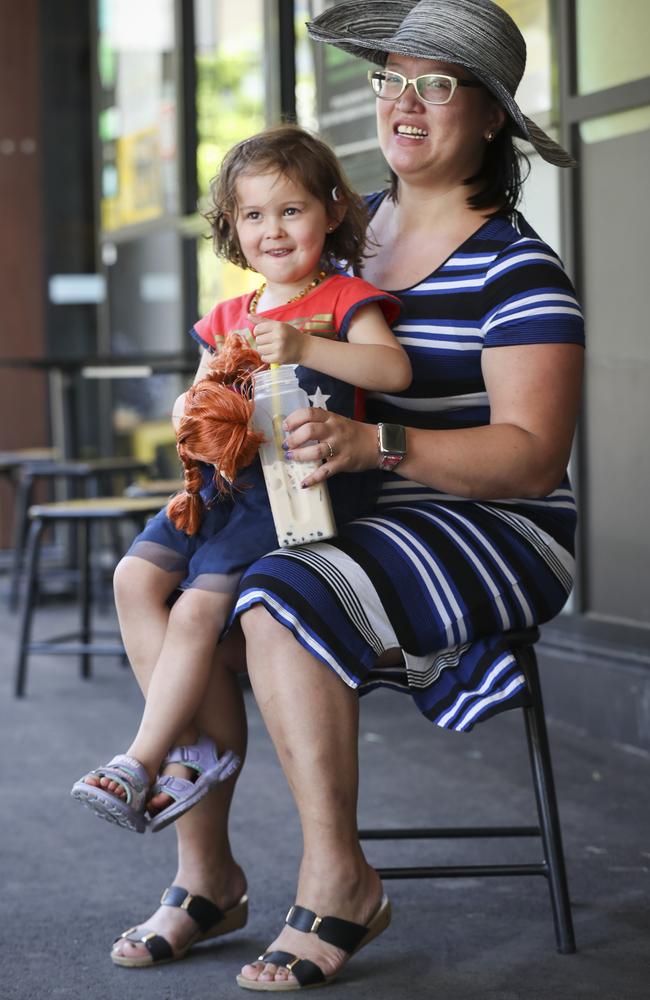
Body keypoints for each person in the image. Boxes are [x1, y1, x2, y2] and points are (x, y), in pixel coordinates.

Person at [107, 0, 585, 989]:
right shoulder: (335, 231)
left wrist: (379, 442)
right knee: (151, 578)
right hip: (329, 493)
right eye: (389, 80)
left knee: (275, 593)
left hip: (490, 521)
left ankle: (341, 879)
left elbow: (532, 460)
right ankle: (207, 873)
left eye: (436, 85)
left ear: (491, 114)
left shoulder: (517, 268)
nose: (402, 103)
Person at [70, 125, 409, 836]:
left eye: (291, 210)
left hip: (300, 491)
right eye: (254, 215)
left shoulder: (346, 299)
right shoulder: (229, 318)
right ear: (233, 228)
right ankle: (195, 746)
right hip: (226, 487)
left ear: (332, 209)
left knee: (196, 610)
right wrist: (188, 412)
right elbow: (196, 402)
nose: (273, 229)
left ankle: (144, 756)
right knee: (133, 578)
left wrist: (309, 345)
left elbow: (393, 372)